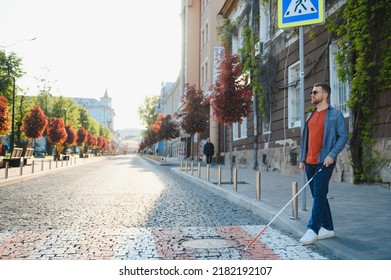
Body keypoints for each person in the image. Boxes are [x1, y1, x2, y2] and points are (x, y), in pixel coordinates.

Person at [299, 83, 348, 245]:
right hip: (310, 161)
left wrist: (332, 155)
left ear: (325, 95)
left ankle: (313, 229)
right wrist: (302, 159)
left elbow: (343, 137)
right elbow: (305, 138)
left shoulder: (335, 115)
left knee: (319, 194)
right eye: (312, 92)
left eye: (315, 92)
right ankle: (327, 228)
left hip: (324, 161)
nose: (312, 95)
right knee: (317, 195)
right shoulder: (310, 115)